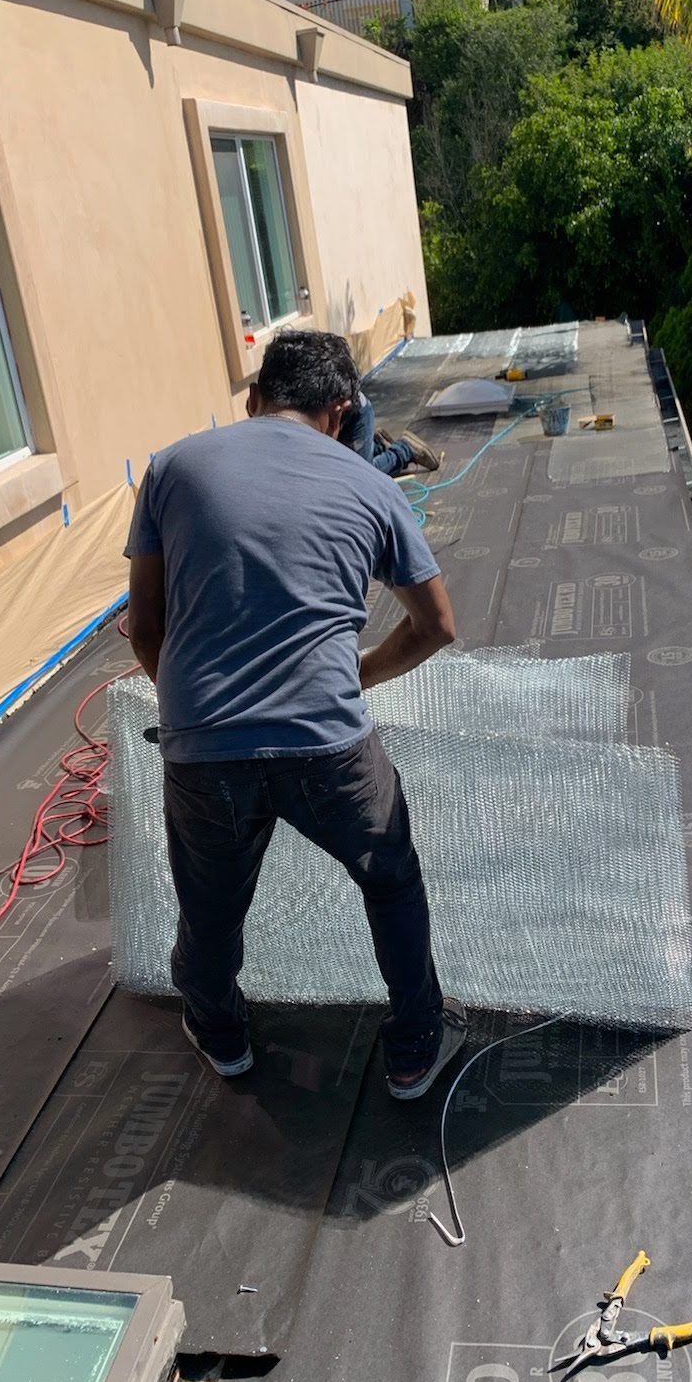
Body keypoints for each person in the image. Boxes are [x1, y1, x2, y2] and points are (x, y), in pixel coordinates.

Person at [125, 330, 466, 1100]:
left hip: (203, 749)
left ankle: (221, 1036)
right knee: (390, 879)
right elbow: (438, 624)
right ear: (343, 410)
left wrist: (194, 713)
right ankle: (414, 1049)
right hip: (329, 747)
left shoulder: (172, 467)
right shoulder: (373, 486)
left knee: (211, 905)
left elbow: (145, 628)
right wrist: (358, 676)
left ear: (253, 399)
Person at [340, 388, 441, 476]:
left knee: (363, 474)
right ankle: (378, 448)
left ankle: (404, 450)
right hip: (343, 415)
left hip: (354, 412)